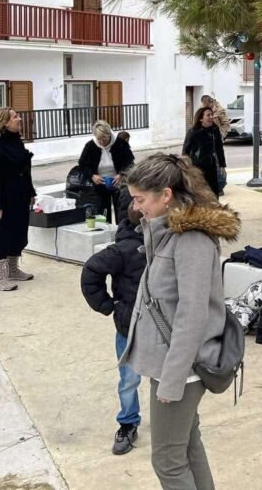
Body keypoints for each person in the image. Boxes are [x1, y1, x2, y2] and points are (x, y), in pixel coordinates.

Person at [119, 153, 240, 490]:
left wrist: (172, 379)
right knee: (187, 446)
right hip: (172, 364)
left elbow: (192, 314)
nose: (136, 207)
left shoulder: (191, 239)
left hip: (180, 369)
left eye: (140, 199)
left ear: (166, 195)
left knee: (168, 462)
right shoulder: (168, 232)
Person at [80, 188, 146, 455]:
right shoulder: (123, 250)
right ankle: (128, 422)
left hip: (163, 327)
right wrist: (107, 305)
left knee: (166, 377)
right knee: (129, 379)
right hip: (129, 327)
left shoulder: (168, 243)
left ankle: (173, 421)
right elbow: (91, 271)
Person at [0, 108, 36, 291]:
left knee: (18, 233)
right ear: (4, 122)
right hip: (2, 200)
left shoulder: (16, 142)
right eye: (15, 117)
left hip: (19, 197)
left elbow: (24, 172)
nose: (19, 119)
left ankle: (13, 270)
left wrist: (30, 193)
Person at [77, 121, 135, 224]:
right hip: (100, 183)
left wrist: (121, 174)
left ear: (109, 134)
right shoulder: (90, 146)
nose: (102, 141)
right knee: (102, 213)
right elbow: (82, 165)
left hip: (119, 183)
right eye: (99, 139)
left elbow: (129, 162)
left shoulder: (120, 143)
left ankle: (121, 229)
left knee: (122, 212)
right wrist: (92, 176)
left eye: (104, 138)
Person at [183, 107, 226, 197]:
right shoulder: (193, 132)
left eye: (212, 115)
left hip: (211, 165)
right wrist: (185, 167)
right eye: (208, 115)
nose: (211, 117)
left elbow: (219, 148)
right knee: (200, 192)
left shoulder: (214, 130)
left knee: (214, 192)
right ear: (201, 118)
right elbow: (185, 151)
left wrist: (222, 164)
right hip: (197, 166)